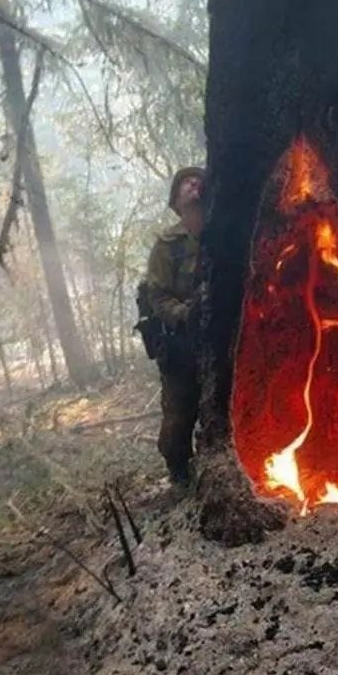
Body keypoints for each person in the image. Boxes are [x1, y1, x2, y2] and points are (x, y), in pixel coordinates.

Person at [145, 166, 205, 489]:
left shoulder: (221, 235)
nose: (193, 185)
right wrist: (184, 314)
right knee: (178, 419)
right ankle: (180, 477)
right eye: (186, 182)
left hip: (217, 342)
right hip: (181, 344)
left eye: (199, 181)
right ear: (176, 198)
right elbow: (157, 295)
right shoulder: (168, 245)